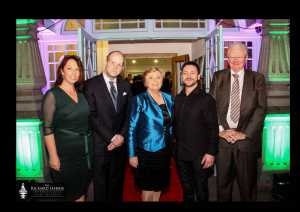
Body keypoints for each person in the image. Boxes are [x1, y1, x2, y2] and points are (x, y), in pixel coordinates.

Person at [209, 42, 267, 201]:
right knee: (222, 187)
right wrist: (221, 130)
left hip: (246, 142)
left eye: (239, 57)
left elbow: (261, 108)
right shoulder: (218, 76)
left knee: (247, 187)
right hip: (223, 141)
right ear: (227, 58)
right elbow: (211, 106)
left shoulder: (257, 78)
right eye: (231, 57)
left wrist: (244, 133)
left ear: (246, 58)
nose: (235, 60)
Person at [42, 55, 92, 201]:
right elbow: (47, 129)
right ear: (62, 71)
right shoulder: (52, 95)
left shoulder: (81, 94)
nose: (74, 72)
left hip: (84, 153)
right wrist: (53, 156)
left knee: (82, 192)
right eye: (69, 68)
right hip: (64, 154)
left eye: (77, 69)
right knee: (70, 194)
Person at [84, 51, 132, 202]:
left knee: (117, 185)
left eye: (119, 64)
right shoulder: (90, 84)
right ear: (106, 61)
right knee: (101, 187)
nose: (116, 67)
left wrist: (121, 137)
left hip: (119, 147)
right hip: (100, 145)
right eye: (113, 62)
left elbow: (128, 115)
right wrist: (111, 137)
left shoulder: (125, 86)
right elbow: (91, 115)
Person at [173, 61, 219, 202]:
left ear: (199, 76)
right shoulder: (177, 98)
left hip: (200, 155)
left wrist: (211, 153)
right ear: (181, 76)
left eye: (192, 73)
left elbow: (213, 128)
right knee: (187, 191)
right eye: (185, 73)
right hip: (180, 154)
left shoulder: (207, 99)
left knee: (201, 190)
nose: (189, 76)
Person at [128, 67, 173, 201]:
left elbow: (171, 124)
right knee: (147, 188)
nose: (155, 80)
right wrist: (132, 154)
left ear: (162, 80)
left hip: (165, 150)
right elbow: (131, 128)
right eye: (151, 78)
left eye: (158, 77)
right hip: (146, 151)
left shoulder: (169, 98)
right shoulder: (139, 99)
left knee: (159, 185)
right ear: (145, 82)